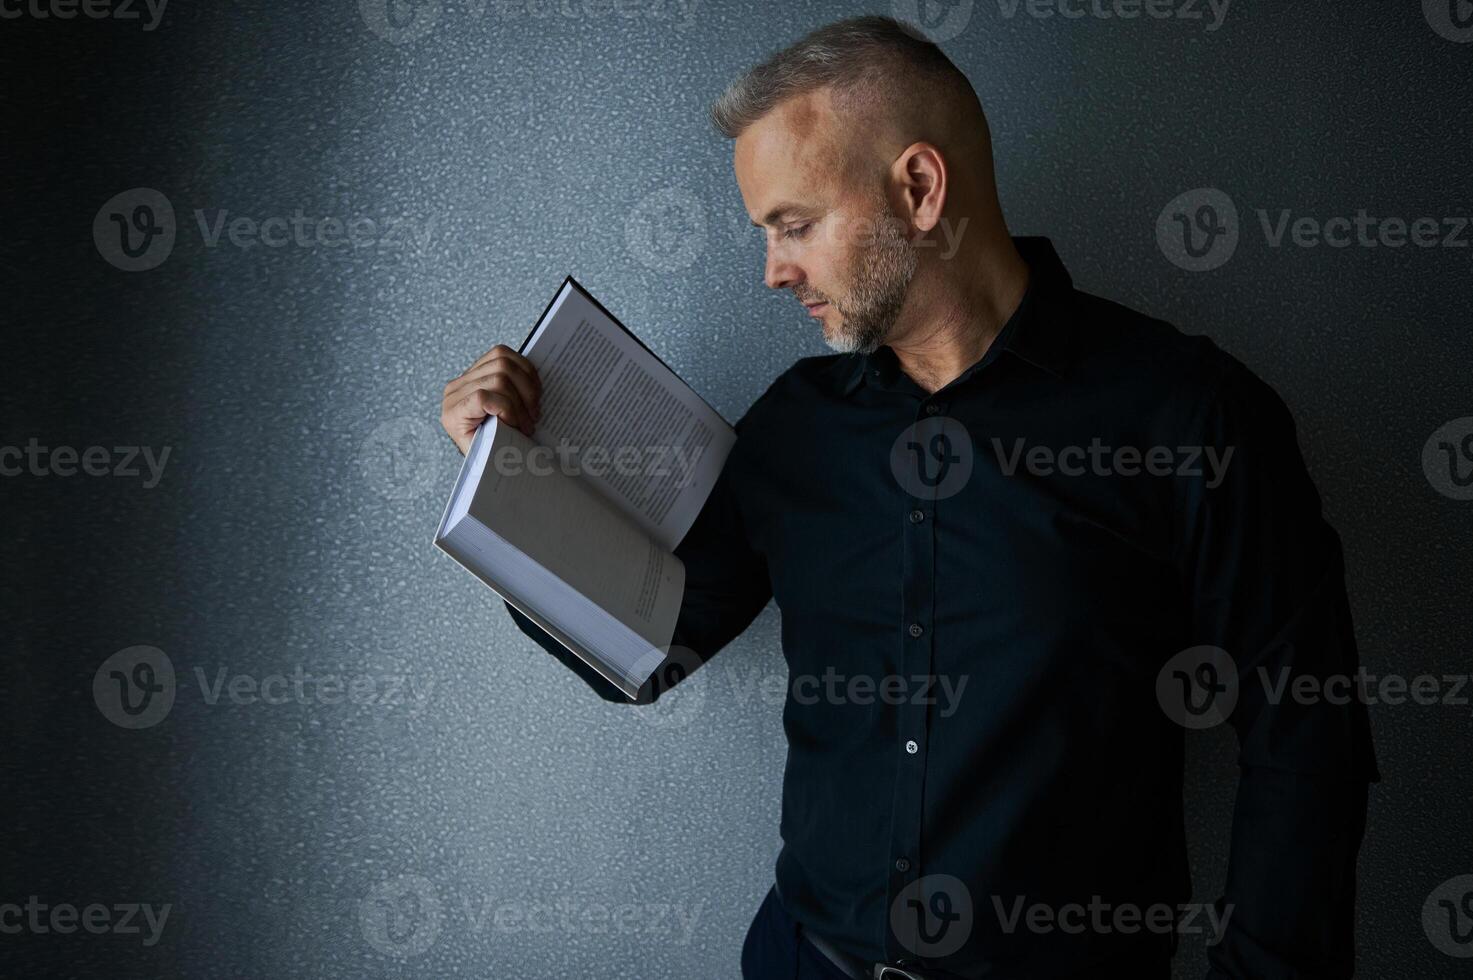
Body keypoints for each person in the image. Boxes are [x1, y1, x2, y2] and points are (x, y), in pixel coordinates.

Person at [438, 16, 1378, 980]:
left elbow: (1306, 735)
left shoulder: (1190, 416)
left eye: (794, 225)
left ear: (919, 190)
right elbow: (650, 647)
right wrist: (505, 477)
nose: (772, 270)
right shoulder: (793, 428)